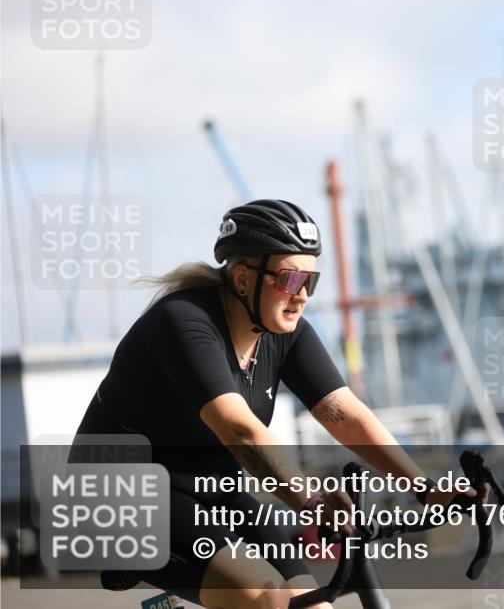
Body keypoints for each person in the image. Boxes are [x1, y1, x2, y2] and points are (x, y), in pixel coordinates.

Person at [73, 199, 478, 609]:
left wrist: (426, 490)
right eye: (289, 280)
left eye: (310, 282)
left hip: (212, 491)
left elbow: (347, 416)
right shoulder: (184, 321)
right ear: (244, 278)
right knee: (267, 597)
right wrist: (312, 502)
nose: (301, 296)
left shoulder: (287, 333)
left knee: (312, 602)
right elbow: (239, 429)